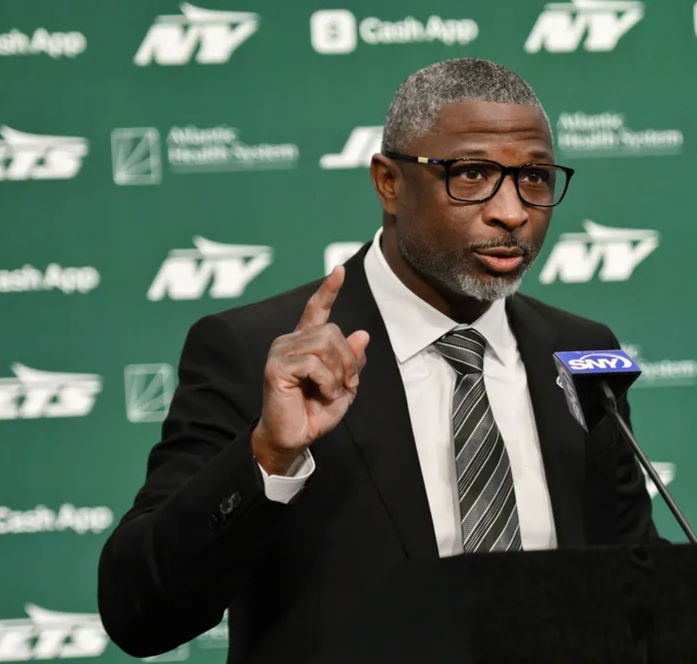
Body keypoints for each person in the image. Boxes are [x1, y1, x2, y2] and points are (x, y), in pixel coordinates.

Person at [98, 57, 659, 664]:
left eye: (535, 178)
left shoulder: (578, 349)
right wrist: (269, 455)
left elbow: (638, 587)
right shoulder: (254, 350)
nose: (512, 211)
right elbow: (140, 613)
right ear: (389, 182)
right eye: (471, 174)